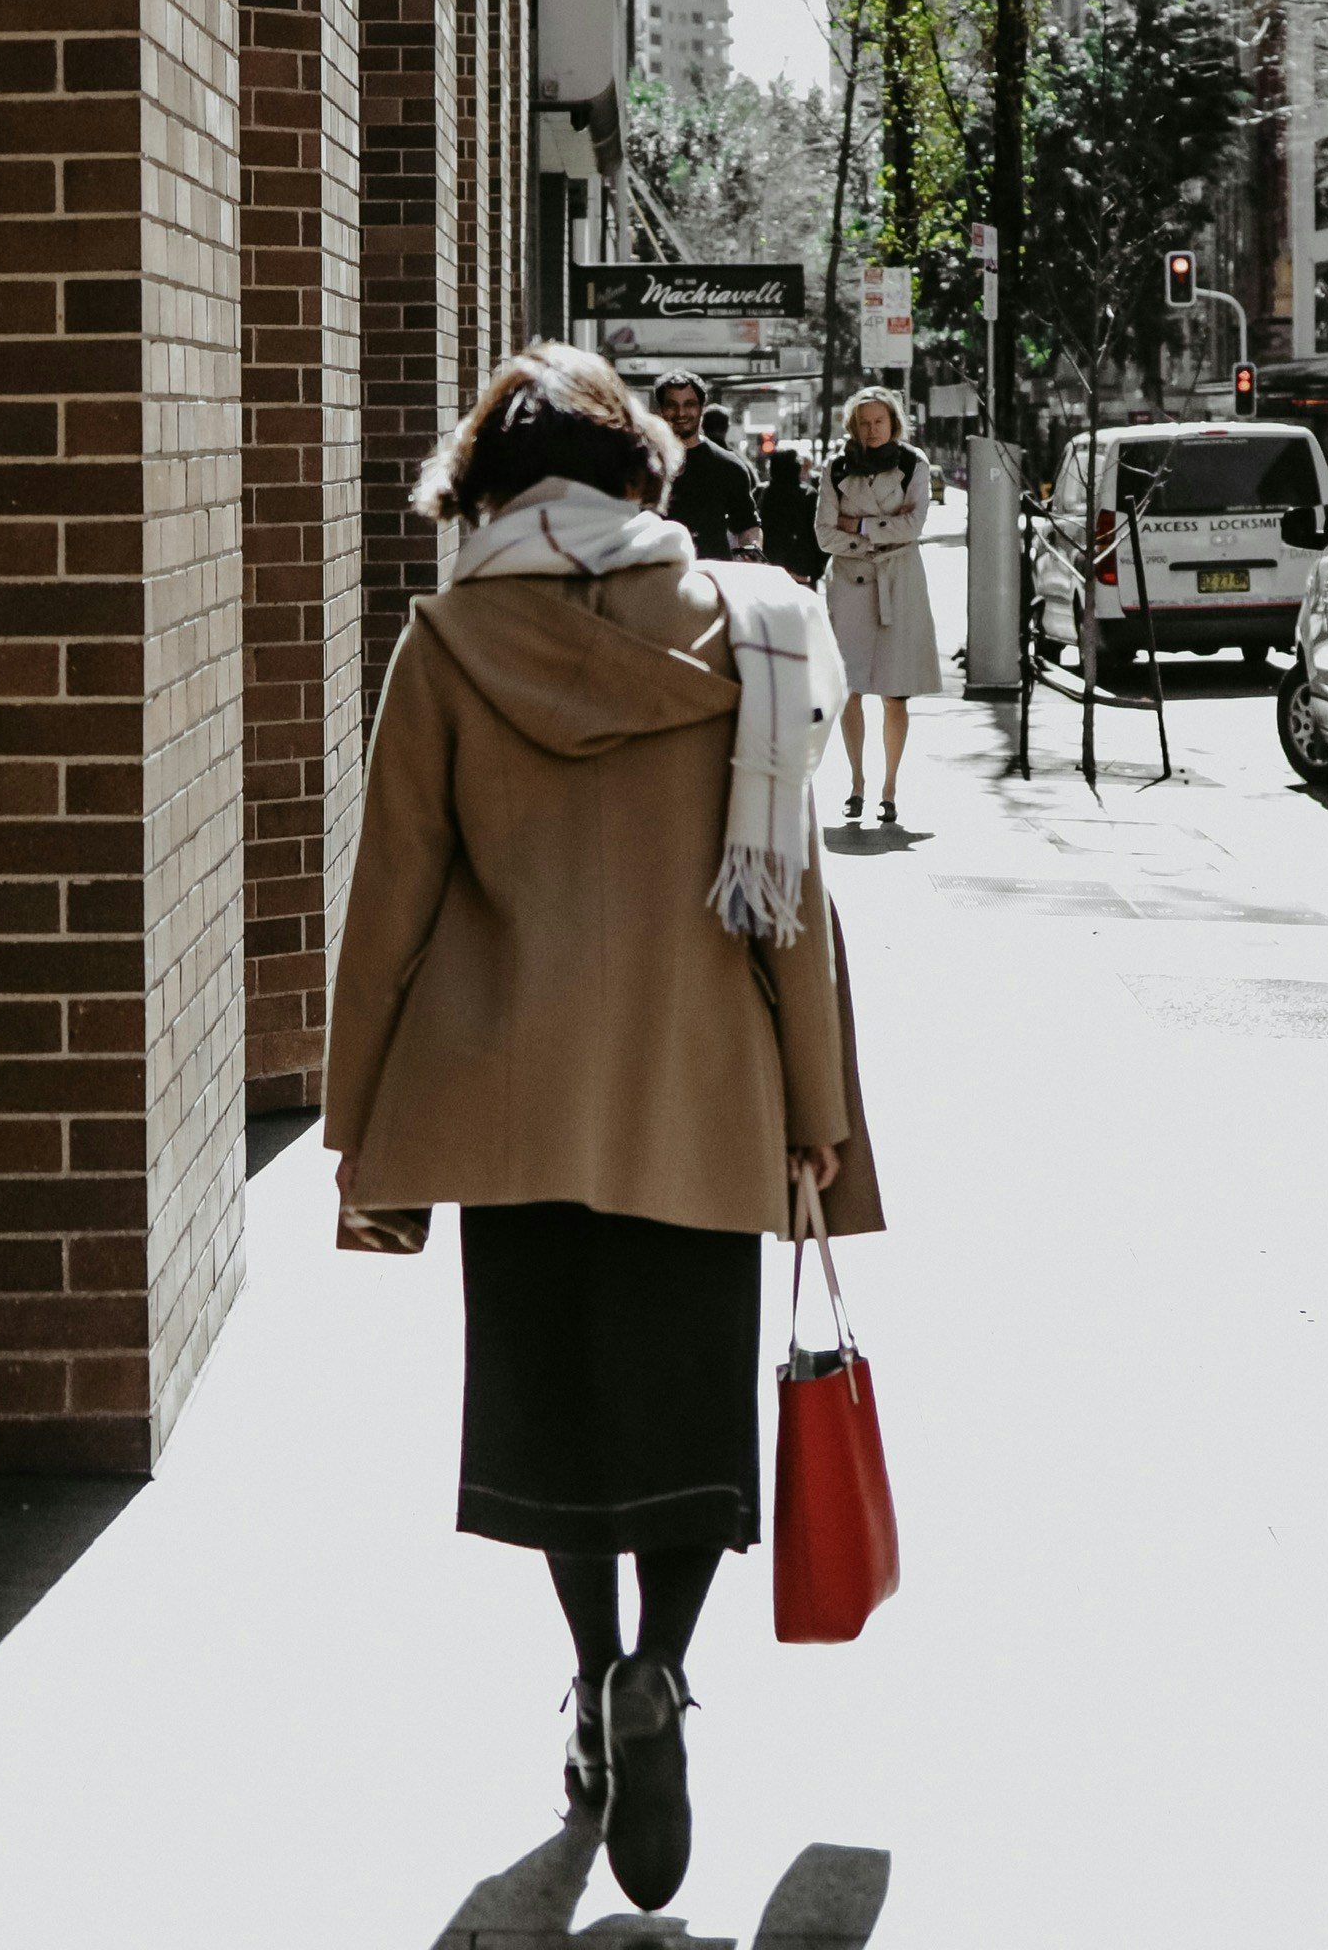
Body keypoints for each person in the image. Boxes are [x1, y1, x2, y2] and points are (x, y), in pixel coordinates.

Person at [328, 342, 882, 1912]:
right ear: (643, 472)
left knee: (558, 1415)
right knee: (690, 1418)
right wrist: (818, 1110)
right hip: (700, 1095)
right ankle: (660, 1672)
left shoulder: (445, 646)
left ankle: (588, 1682)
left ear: (483, 488)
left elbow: (392, 902)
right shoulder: (750, 626)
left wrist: (362, 1138)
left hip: (507, 1107)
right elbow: (797, 903)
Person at [821, 388, 943, 824]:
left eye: (879, 421)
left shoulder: (913, 463)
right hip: (851, 586)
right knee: (849, 688)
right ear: (852, 426)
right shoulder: (836, 468)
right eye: (863, 422)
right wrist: (875, 535)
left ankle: (889, 788)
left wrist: (862, 524)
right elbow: (825, 534)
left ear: (893, 423)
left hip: (899, 583)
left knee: (895, 692)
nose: (871, 430)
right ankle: (857, 782)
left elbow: (915, 523)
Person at [655, 375, 763, 561]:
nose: (681, 413)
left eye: (689, 404)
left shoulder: (729, 466)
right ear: (661, 410)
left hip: (712, 573)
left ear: (701, 409)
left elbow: (747, 524)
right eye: (672, 405)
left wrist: (750, 549)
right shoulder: (641, 462)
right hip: (653, 574)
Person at [756, 441, 825, 586]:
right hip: (800, 568)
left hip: (767, 565)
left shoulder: (762, 492)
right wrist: (817, 568)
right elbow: (817, 533)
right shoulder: (808, 494)